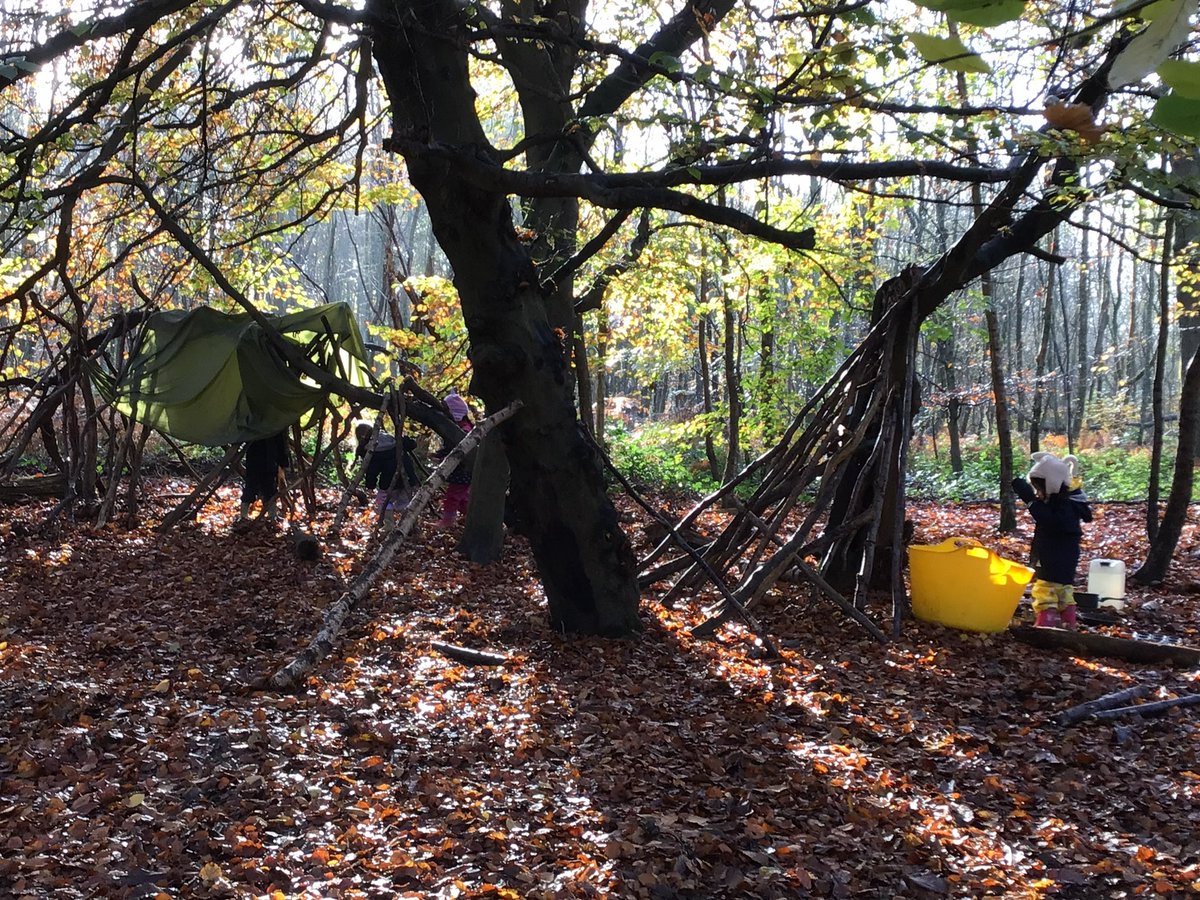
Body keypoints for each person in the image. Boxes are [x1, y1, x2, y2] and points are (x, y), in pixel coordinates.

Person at [1011, 451, 1092, 629]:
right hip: (1067, 556)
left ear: (1051, 484)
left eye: (1039, 488)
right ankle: (1067, 621)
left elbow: (1048, 519)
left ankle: (1046, 622)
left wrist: (1030, 501)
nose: (1038, 493)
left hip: (1052, 555)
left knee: (1045, 588)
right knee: (1064, 588)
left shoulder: (1062, 507)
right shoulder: (1071, 502)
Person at [354, 422, 417, 512]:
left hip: (388, 482)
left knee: (383, 503)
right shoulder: (391, 438)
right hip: (409, 478)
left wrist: (370, 484)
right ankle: (406, 518)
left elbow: (372, 471)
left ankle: (388, 519)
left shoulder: (372, 450)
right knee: (405, 503)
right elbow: (411, 444)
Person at [434, 391, 473, 527]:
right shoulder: (461, 428)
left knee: (453, 496)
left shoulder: (464, 431)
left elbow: (457, 449)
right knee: (462, 498)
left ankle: (448, 521)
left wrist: (443, 456)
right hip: (460, 470)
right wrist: (440, 455)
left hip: (463, 471)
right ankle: (471, 517)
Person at [240, 431, 289, 521]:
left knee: (270, 489)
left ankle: (272, 515)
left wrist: (282, 462)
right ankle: (243, 515)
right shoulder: (255, 426)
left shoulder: (276, 428)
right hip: (254, 460)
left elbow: (280, 444)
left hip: (269, 462)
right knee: (250, 487)